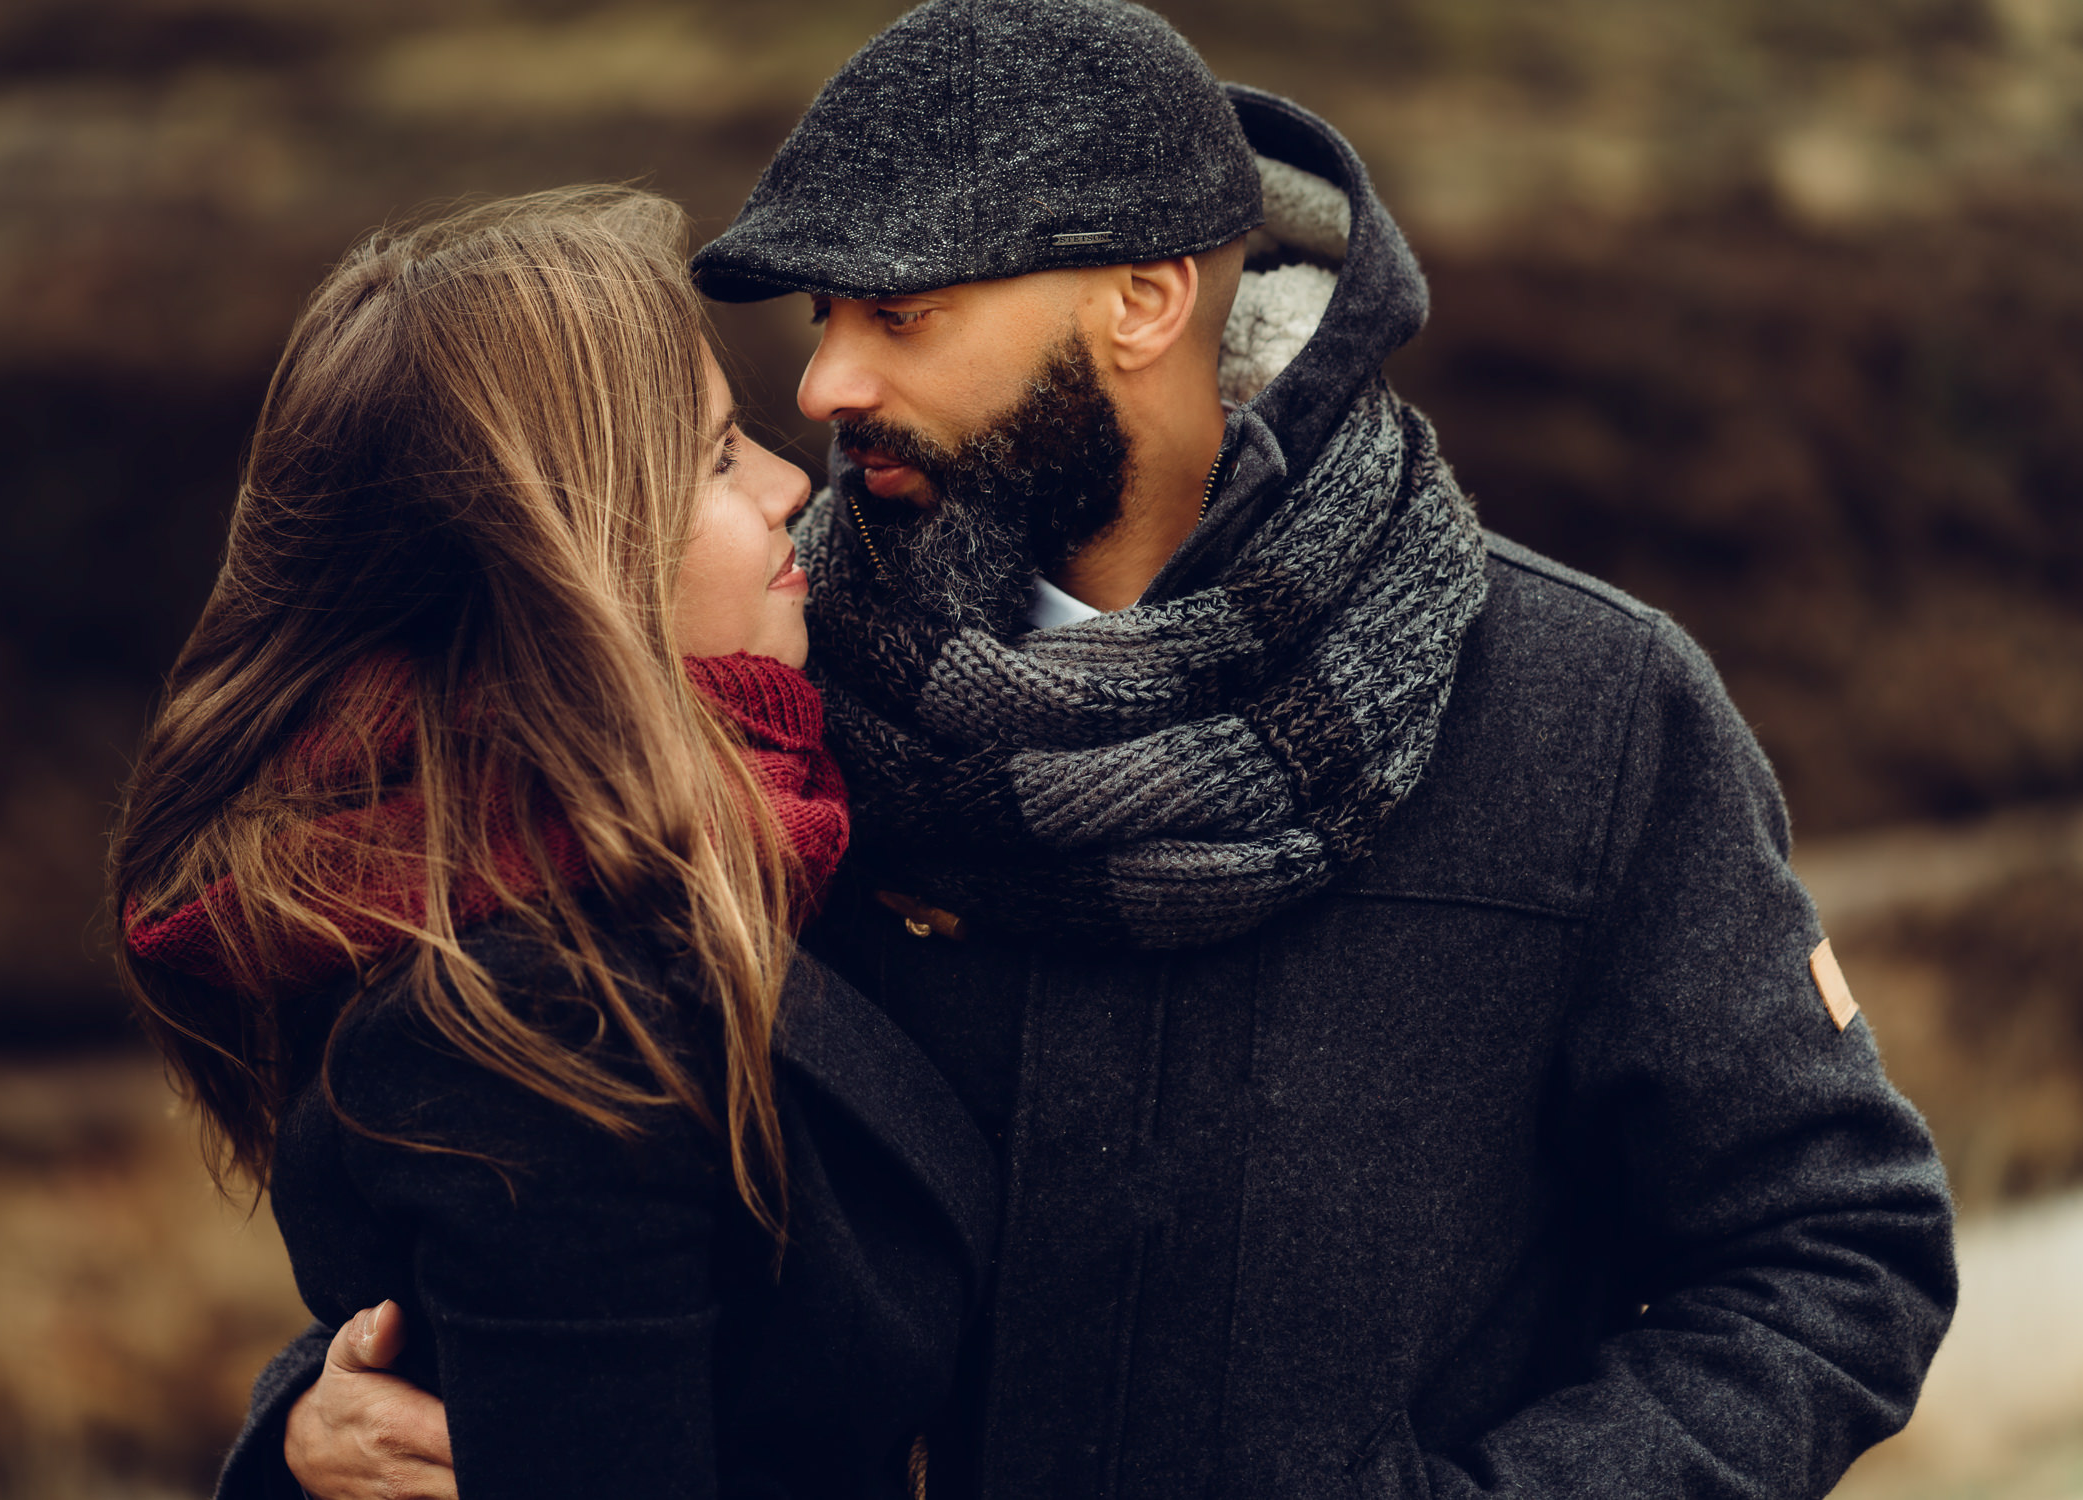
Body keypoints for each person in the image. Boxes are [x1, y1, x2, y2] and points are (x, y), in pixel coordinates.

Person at [259, 3, 1960, 1497]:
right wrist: (302, 1436)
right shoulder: (745, 690)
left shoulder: (1581, 710)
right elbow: (503, 1193)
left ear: (1142, 300)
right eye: (819, 320)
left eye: (901, 316)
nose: (829, 387)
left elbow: (1833, 1249)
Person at [108, 186, 995, 1499]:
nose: (789, 478)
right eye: (708, 460)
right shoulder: (541, 1023)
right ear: (562, 559)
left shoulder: (753, 820)